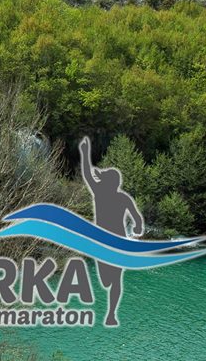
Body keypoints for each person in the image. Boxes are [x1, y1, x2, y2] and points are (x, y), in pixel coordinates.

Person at [78, 136, 144, 326]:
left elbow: (87, 174)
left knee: (113, 280)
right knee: (108, 281)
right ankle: (111, 311)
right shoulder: (114, 196)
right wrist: (138, 228)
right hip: (109, 241)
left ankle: (111, 314)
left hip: (110, 241)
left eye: (105, 177)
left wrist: (84, 153)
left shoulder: (104, 194)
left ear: (111, 182)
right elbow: (137, 218)